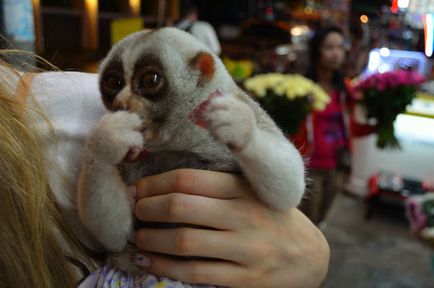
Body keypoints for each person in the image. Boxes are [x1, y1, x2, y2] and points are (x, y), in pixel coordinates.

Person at [0, 59, 330, 287]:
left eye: (149, 82)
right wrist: (100, 162)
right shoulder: (95, 125)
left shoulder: (68, 114)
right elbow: (112, 231)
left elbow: (286, 199)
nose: (128, 99)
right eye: (117, 84)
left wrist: (311, 256)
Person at [295, 26, 373, 225]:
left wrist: (377, 126)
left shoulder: (345, 89)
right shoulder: (300, 86)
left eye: (340, 47)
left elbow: (350, 128)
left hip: (337, 167)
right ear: (316, 51)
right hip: (309, 168)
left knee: (320, 220)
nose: (336, 53)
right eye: (329, 47)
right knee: (306, 223)